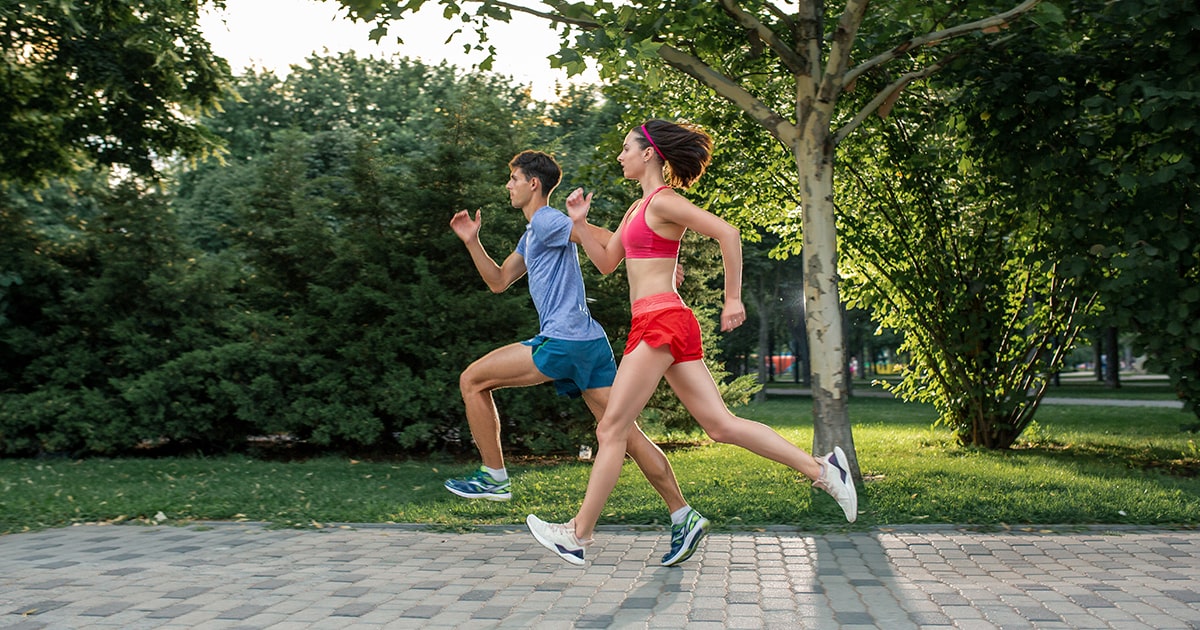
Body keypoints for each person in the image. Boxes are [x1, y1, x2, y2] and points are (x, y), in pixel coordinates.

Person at [525, 120, 858, 566]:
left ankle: (577, 535)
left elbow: (728, 233)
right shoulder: (635, 210)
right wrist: (581, 225)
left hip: (661, 320)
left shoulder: (665, 202)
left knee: (610, 429)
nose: (620, 156)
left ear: (649, 154)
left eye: (626, 148)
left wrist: (733, 299)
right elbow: (606, 263)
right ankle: (822, 470)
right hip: (660, 322)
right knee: (720, 425)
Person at [446, 150, 709, 566]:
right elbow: (498, 281)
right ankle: (683, 514)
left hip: (564, 341)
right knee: (624, 434)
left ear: (534, 183)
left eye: (514, 178)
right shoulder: (533, 233)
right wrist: (473, 242)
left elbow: (609, 242)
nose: (508, 185)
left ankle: (494, 477)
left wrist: (659, 262)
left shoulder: (548, 220)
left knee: (472, 380)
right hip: (588, 343)